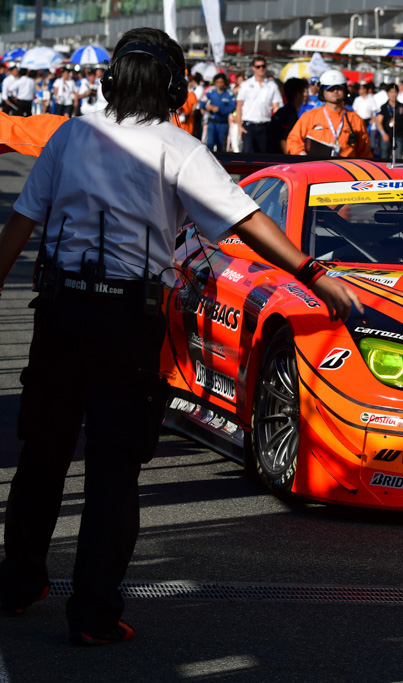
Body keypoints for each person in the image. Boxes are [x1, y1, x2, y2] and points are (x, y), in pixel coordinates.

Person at [0, 27, 361, 646]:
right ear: (176, 90)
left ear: (109, 81)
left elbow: (19, 225)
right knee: (114, 468)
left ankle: (17, 585)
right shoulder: (182, 148)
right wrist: (313, 273)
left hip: (59, 314)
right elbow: (248, 221)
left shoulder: (70, 136)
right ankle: (93, 616)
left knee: (42, 452)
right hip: (127, 322)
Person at [286, 69, 370, 158]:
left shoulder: (356, 120)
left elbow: (365, 152)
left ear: (345, 90)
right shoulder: (309, 117)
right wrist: (302, 155)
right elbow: (293, 140)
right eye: (330, 88)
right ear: (322, 91)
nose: (335, 91)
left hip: (346, 166)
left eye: (339, 88)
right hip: (316, 165)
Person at [234, 57, 283, 153]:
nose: (261, 69)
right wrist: (239, 125)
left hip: (264, 126)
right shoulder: (246, 84)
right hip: (248, 125)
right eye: (258, 66)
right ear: (253, 68)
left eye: (263, 66)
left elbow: (276, 106)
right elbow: (239, 105)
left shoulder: (272, 85)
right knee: (246, 154)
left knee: (262, 155)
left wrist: (276, 125)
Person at [268, 78, 307, 154]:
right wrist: (288, 158)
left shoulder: (285, 110)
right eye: (303, 93)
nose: (305, 95)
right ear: (298, 95)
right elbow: (283, 139)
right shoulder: (289, 114)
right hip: (278, 155)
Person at [375, 82, 403, 160]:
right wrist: (383, 133)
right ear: (387, 93)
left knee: (399, 158)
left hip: (399, 135)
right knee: (384, 159)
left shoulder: (402, 107)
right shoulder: (384, 107)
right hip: (386, 135)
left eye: (395, 92)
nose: (393, 95)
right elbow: (378, 122)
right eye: (391, 92)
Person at [202, 73, 235, 152]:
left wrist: (219, 109)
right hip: (212, 122)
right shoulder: (210, 92)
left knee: (221, 145)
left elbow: (232, 107)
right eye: (217, 82)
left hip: (223, 123)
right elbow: (202, 103)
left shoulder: (229, 93)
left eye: (221, 82)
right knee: (210, 143)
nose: (219, 84)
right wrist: (207, 107)